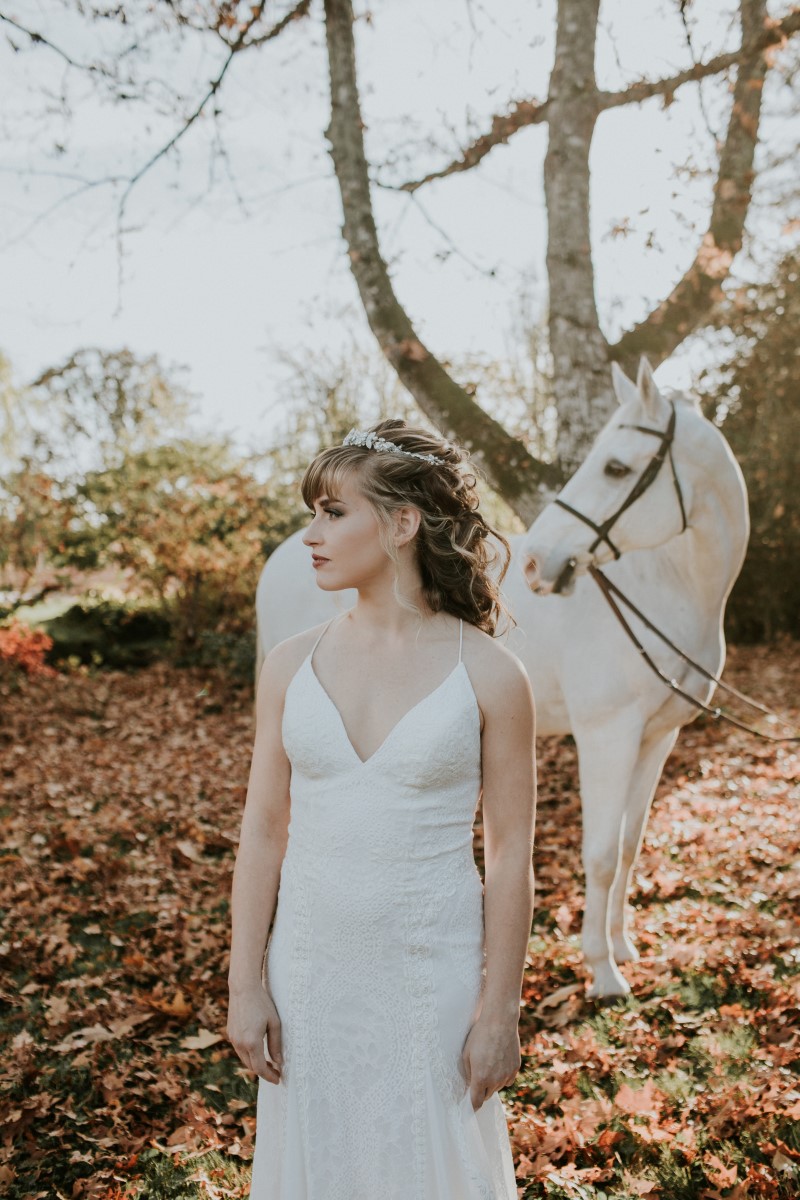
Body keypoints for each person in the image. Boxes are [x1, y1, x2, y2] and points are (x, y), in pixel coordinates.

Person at [227, 419, 537, 1199]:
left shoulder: (493, 675)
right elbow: (264, 832)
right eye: (313, 513)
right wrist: (245, 983)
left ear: (403, 523)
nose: (312, 534)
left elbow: (510, 860)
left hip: (430, 977)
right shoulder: (290, 663)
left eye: (334, 512)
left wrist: (500, 1010)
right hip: (309, 974)